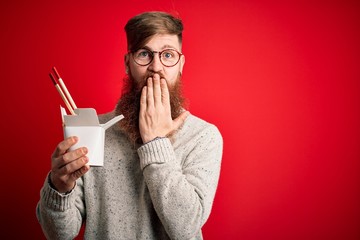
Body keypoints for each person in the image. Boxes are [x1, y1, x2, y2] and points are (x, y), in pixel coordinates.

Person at [36, 11, 223, 240]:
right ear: (127, 63)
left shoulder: (203, 136)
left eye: (167, 55)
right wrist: (59, 187)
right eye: (144, 54)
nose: (156, 67)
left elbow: (185, 228)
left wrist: (155, 142)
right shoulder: (96, 131)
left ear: (181, 64)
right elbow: (59, 234)